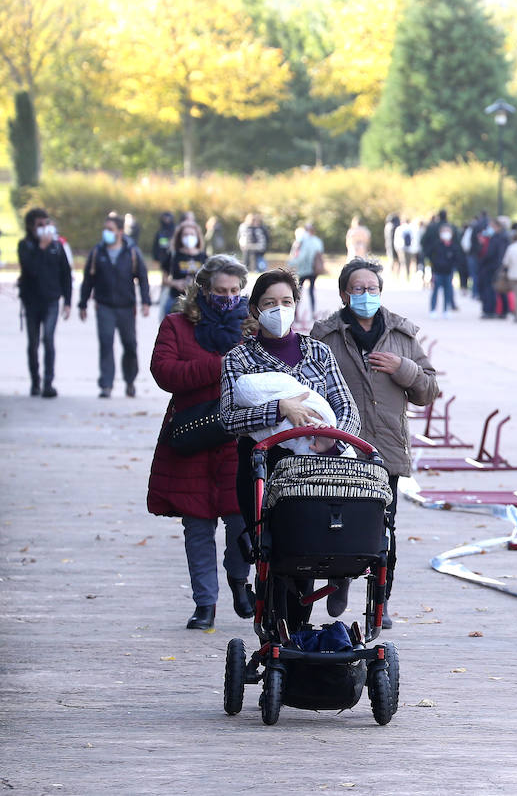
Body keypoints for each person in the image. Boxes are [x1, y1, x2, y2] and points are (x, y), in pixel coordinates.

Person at [220, 268, 359, 632]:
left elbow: (346, 407)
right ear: (254, 309)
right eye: (269, 303)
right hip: (264, 466)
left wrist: (333, 437)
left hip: (318, 466)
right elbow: (228, 419)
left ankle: (299, 630)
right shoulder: (239, 359)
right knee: (275, 552)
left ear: (297, 305)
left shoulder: (318, 352)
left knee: (309, 547)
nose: (278, 310)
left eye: (285, 302)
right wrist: (279, 408)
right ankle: (275, 629)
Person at [312, 258, 440, 629]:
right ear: (343, 293)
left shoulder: (401, 333)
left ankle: (380, 603)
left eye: (372, 289)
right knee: (337, 521)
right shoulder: (326, 334)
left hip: (385, 450)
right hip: (339, 449)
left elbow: (428, 390)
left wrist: (405, 368)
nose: (366, 295)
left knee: (384, 527)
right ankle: (340, 580)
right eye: (358, 289)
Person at [147, 256, 255, 631]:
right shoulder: (177, 325)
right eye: (219, 291)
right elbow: (164, 372)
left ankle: (240, 584)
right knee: (197, 527)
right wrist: (218, 366)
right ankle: (205, 604)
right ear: (203, 290)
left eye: (234, 291)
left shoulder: (251, 327)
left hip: (237, 438)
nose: (227, 297)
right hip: (192, 438)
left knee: (241, 522)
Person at [78, 214, 152, 398]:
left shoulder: (132, 252)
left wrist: (145, 301)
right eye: (105, 229)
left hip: (126, 307)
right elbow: (88, 279)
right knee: (106, 343)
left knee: (129, 345)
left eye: (110, 229)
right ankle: (106, 384)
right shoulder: (98, 252)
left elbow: (142, 277)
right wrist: (83, 303)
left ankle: (129, 381)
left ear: (120, 231)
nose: (106, 233)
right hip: (104, 306)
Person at [17, 208, 73, 398]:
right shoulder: (25, 246)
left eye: (46, 224)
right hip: (32, 302)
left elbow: (66, 274)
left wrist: (67, 301)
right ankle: (35, 381)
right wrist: (41, 247)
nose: (44, 228)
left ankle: (48, 383)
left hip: (51, 301)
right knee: (33, 343)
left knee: (48, 339)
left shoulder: (57, 246)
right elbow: (30, 269)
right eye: (39, 225)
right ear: (31, 227)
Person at [162, 220, 208, 317]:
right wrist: (176, 283)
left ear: (197, 236)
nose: (189, 237)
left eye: (191, 234)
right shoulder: (173, 255)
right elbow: (164, 279)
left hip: (197, 301)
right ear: (180, 237)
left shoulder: (204, 257)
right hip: (176, 299)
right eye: (185, 235)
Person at [289, 222, 325, 322]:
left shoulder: (301, 240)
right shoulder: (317, 241)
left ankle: (296, 314)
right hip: (312, 270)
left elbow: (296, 255)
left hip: (304, 270)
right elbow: (320, 254)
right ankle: (312, 313)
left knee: (299, 291)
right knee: (310, 291)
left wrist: (291, 264)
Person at [479, 216, 512, 318]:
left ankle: (491, 310)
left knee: (492, 289)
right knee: (498, 289)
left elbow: (493, 253)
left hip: (493, 266)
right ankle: (502, 311)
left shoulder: (499, 237)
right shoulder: (501, 236)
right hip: (495, 266)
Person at [429, 222, 463, 318]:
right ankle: (433, 309)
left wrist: (453, 267)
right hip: (437, 272)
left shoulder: (454, 246)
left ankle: (446, 310)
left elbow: (457, 258)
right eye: (444, 232)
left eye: (448, 232)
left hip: (448, 272)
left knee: (447, 291)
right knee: (435, 291)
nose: (446, 234)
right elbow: (431, 257)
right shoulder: (436, 245)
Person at [152, 212, 177, 280]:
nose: (166, 220)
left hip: (174, 257)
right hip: (163, 257)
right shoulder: (160, 231)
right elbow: (156, 245)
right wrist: (156, 258)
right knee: (165, 276)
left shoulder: (175, 230)